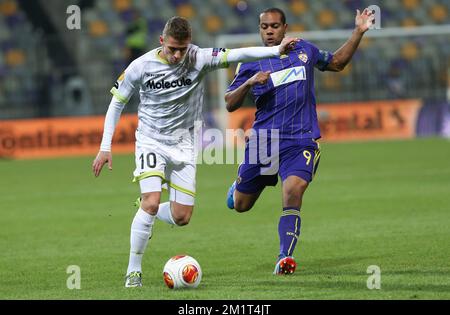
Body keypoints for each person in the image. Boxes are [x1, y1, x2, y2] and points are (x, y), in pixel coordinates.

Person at [91, 16, 298, 287]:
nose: (178, 55)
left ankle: (144, 211)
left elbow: (238, 53)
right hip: (151, 141)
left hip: (184, 144)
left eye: (183, 49)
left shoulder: (199, 57)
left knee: (181, 217)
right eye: (173, 49)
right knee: (152, 201)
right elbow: (116, 104)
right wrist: (105, 147)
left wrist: (275, 50)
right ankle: (133, 270)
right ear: (161, 41)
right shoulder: (139, 66)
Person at [225, 8, 375, 275]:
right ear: (260, 29)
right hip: (264, 141)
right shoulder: (251, 60)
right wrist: (248, 84)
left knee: (293, 190)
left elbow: (337, 62)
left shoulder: (304, 50)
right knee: (241, 205)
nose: (269, 31)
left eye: (274, 26)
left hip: (301, 139)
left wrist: (358, 31)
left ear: (284, 27)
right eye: (264, 27)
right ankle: (236, 188)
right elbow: (229, 103)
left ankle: (285, 257)